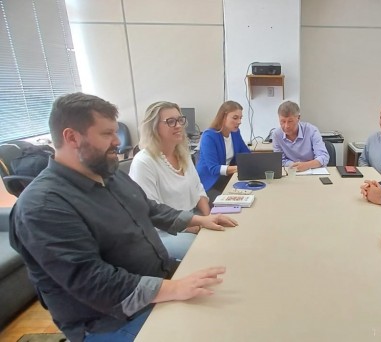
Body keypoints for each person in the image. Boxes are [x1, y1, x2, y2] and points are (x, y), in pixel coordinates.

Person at [9, 93, 238, 342]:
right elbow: (92, 281)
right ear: (71, 137)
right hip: (109, 321)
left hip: (155, 284)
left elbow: (148, 208)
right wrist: (173, 288)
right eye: (107, 134)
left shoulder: (108, 174)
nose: (117, 141)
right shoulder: (43, 206)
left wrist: (198, 220)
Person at [130, 101, 211, 260]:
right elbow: (149, 212)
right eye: (170, 121)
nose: (178, 125)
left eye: (180, 120)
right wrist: (190, 226)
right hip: (163, 232)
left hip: (191, 221)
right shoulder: (144, 162)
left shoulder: (183, 153)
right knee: (210, 251)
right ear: (153, 127)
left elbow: (198, 188)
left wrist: (208, 218)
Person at [196, 101, 250, 202]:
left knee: (251, 194)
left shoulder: (235, 133)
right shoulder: (209, 136)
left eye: (240, 118)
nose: (239, 122)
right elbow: (214, 169)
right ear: (223, 117)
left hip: (226, 179)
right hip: (209, 184)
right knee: (233, 202)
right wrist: (239, 168)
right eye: (235, 118)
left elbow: (246, 154)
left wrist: (257, 164)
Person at [272, 101, 329, 171]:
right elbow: (280, 160)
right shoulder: (276, 135)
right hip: (291, 172)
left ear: (298, 118)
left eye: (290, 121)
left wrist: (306, 165)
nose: (286, 126)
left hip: (313, 171)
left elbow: (324, 157)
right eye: (283, 121)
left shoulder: (311, 130)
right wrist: (294, 165)